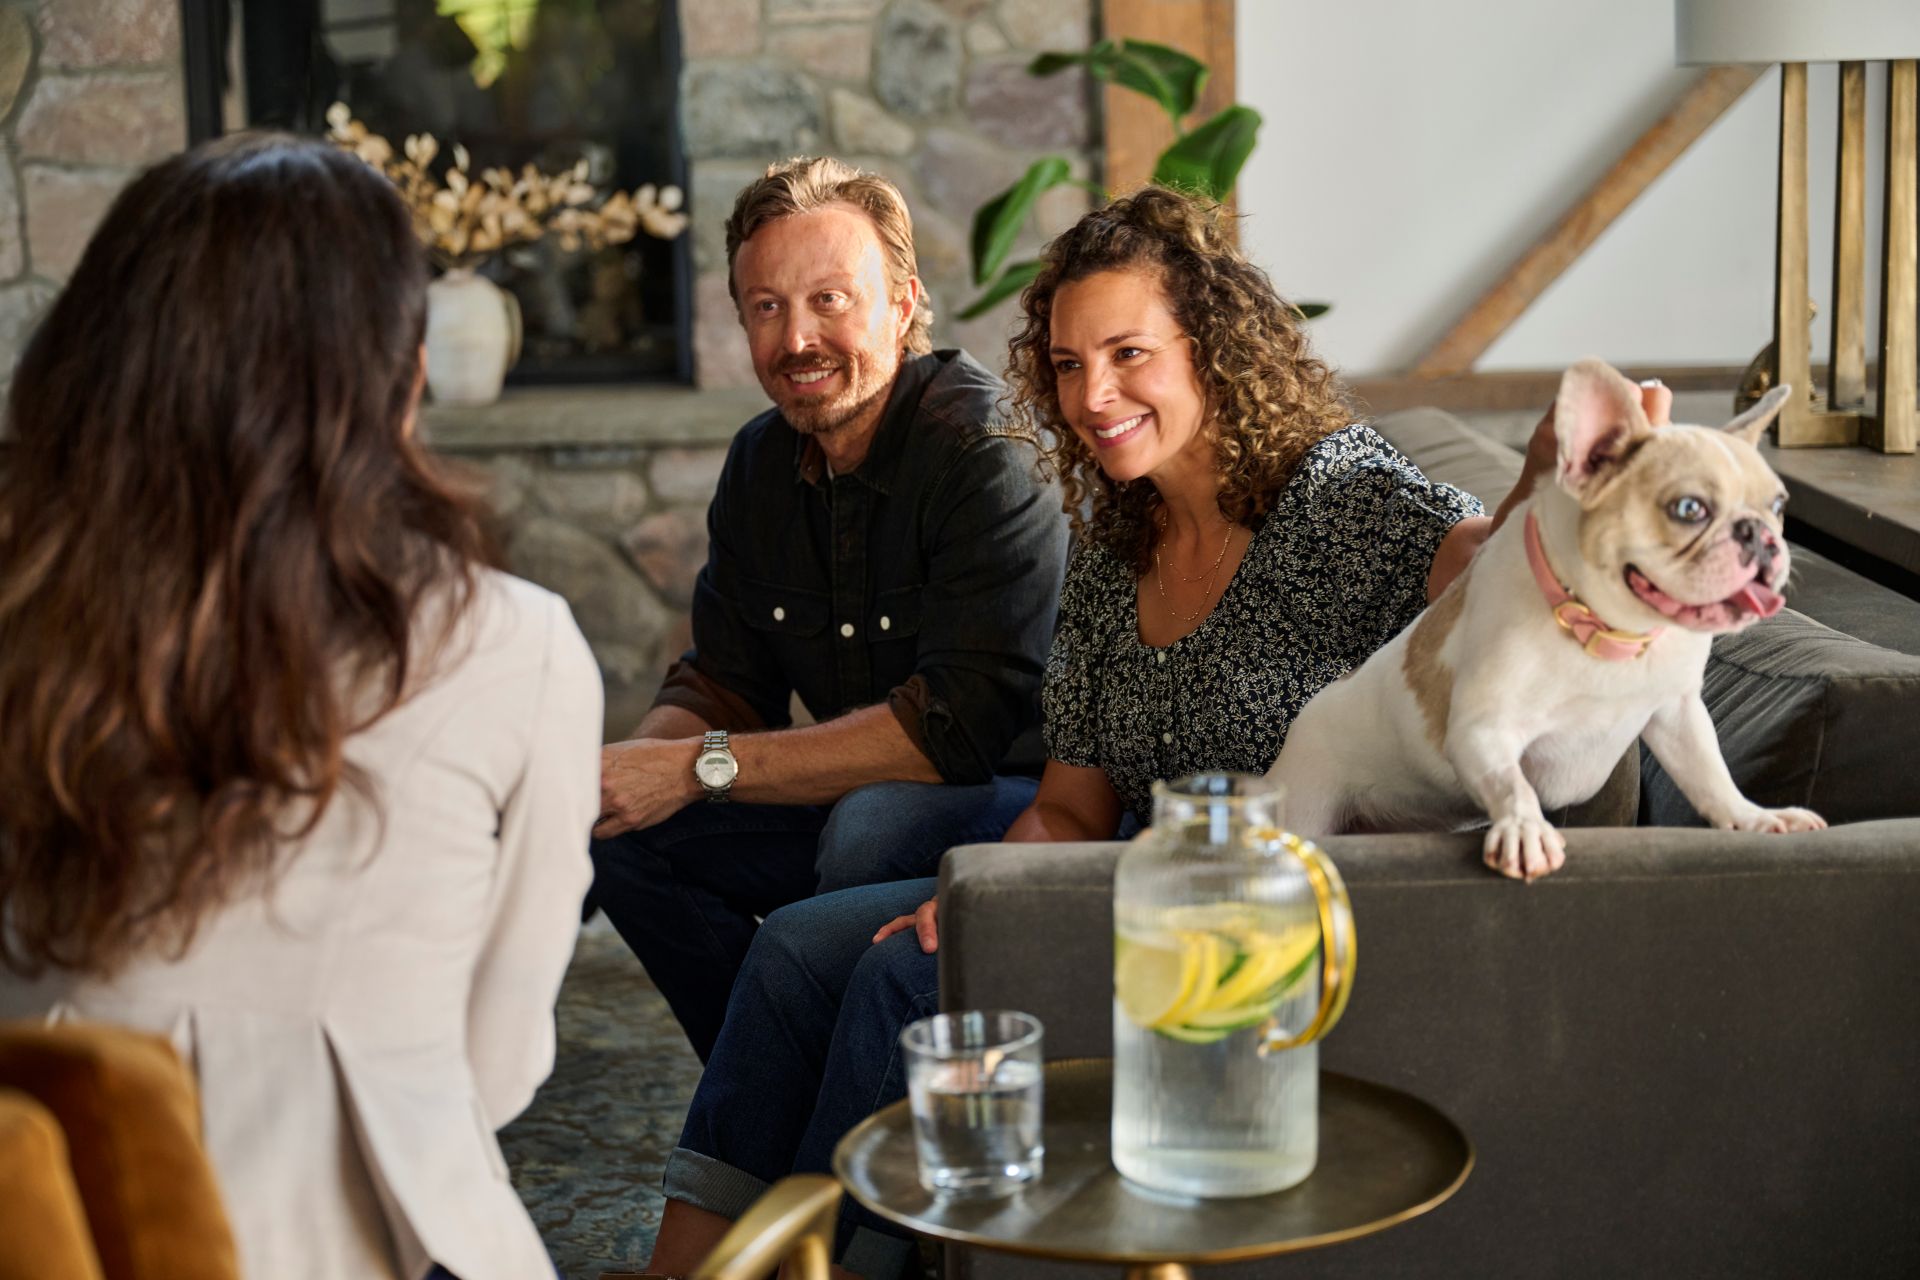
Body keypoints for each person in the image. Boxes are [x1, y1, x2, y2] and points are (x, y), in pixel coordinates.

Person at [635, 185, 1679, 1279]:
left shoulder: (1339, 495)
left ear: (1211, 348)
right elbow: (1069, 808)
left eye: (1129, 353)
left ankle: (832, 1265)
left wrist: (1553, 481)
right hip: (1127, 881)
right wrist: (984, 892)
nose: (1095, 394)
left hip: (1265, 923)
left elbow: (1493, 576)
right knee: (801, 952)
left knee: (902, 985)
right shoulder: (1116, 537)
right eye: (1072, 365)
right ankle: (686, 1266)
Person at [0, 134, 601, 1280]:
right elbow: (499, 1062)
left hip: (40, 1222)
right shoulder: (518, 647)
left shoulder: (22, 614)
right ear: (399, 374)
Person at [588, 156, 1068, 1062]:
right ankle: (779, 1088)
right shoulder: (760, 463)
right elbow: (727, 680)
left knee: (871, 823)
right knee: (628, 840)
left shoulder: (985, 454)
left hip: (1033, 802)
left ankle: (811, 1094)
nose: (797, 336)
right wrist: (630, 771)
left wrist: (696, 767)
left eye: (830, 299)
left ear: (902, 302)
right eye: (766, 307)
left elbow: (953, 732)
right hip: (850, 787)